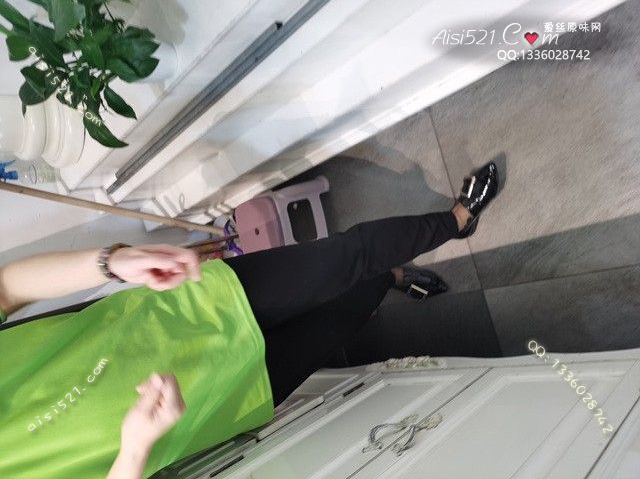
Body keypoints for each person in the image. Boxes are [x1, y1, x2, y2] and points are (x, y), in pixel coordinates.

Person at [0, 162, 498, 479]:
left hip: (179, 311)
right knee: (339, 321)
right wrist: (133, 454)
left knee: (343, 256)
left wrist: (111, 262)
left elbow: (5, 289)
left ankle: (455, 221)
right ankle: (390, 278)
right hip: (206, 404)